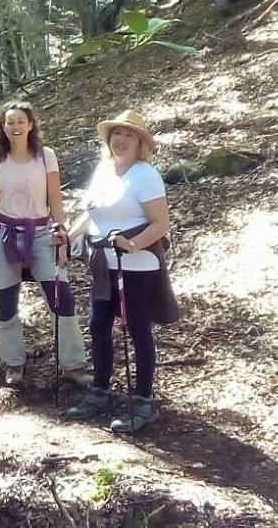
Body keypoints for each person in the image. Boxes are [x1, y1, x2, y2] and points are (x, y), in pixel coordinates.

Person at [64, 110, 180, 433]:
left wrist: (133, 244)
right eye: (117, 133)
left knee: (138, 329)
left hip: (136, 265)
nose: (121, 139)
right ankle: (100, 391)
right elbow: (91, 214)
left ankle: (143, 401)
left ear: (140, 143)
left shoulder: (146, 175)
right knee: (98, 325)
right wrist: (67, 237)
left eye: (129, 135)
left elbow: (161, 223)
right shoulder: (103, 169)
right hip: (104, 262)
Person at [0, 102, 89, 386]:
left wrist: (61, 233)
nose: (15, 127)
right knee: (5, 302)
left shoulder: (45, 156)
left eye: (20, 121)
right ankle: (13, 363)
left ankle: (73, 365)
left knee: (62, 298)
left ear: (30, 125)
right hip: (5, 236)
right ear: (3, 127)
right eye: (10, 122)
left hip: (41, 234)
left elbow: (55, 198)